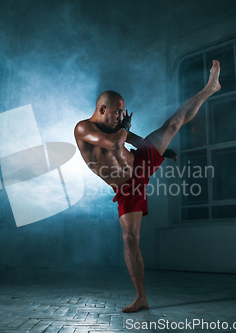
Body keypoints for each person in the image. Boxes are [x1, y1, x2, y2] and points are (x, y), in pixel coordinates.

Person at [74, 60, 221, 312]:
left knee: (172, 124)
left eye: (123, 112)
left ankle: (210, 87)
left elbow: (132, 138)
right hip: (127, 189)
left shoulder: (117, 126)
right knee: (130, 239)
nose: (121, 117)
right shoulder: (83, 128)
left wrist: (160, 150)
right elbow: (114, 144)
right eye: (117, 112)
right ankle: (141, 297)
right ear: (102, 109)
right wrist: (124, 127)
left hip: (140, 161)